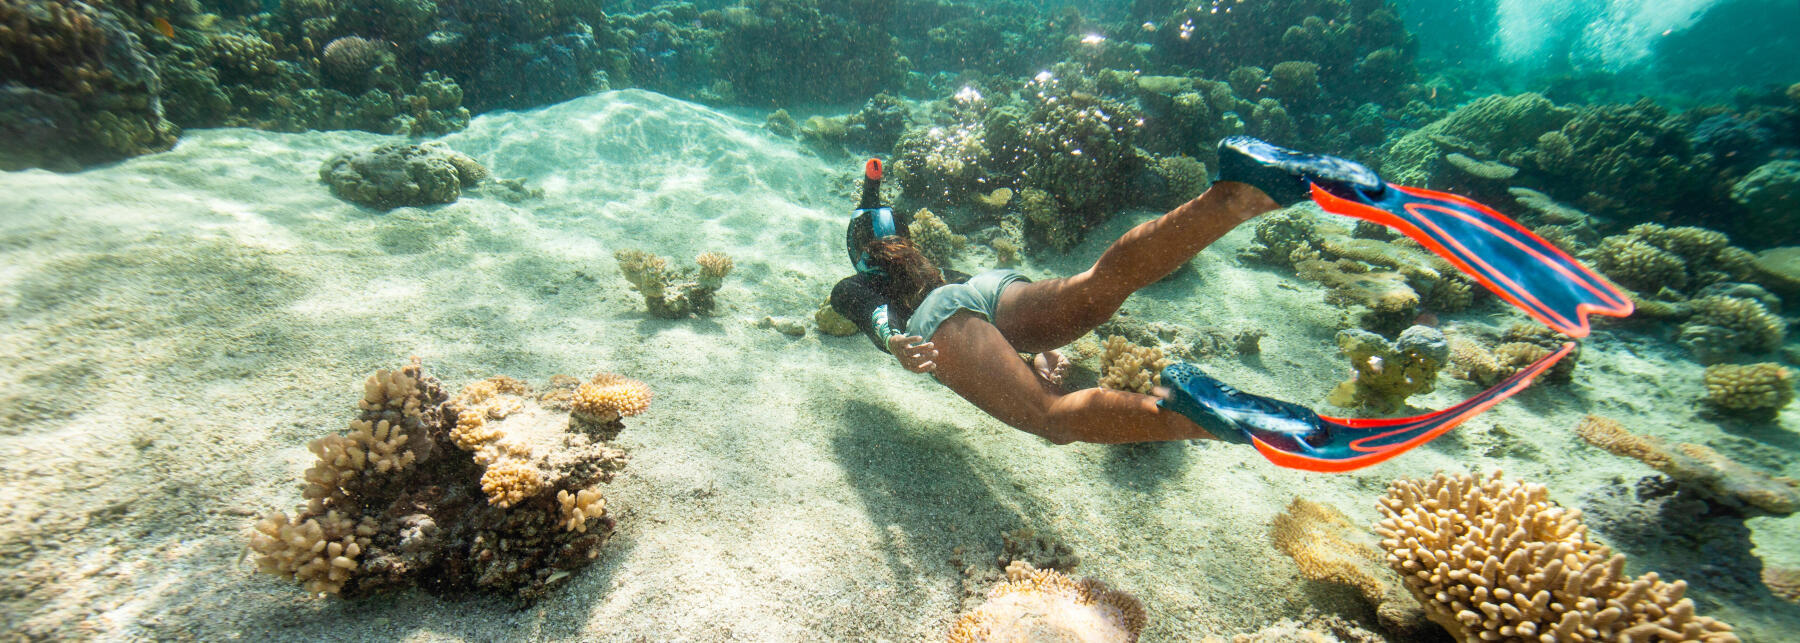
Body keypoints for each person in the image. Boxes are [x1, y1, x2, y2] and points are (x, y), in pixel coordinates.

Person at [831, 138, 1595, 471]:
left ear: (862, 254)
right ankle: (1242, 191)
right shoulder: (933, 260)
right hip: (989, 289)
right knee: (1101, 286)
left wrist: (895, 342)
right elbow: (971, 313)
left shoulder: (865, 279)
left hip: (942, 323)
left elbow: (871, 309)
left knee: (1051, 419)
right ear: (902, 238)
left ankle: (1208, 417)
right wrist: (872, 192)